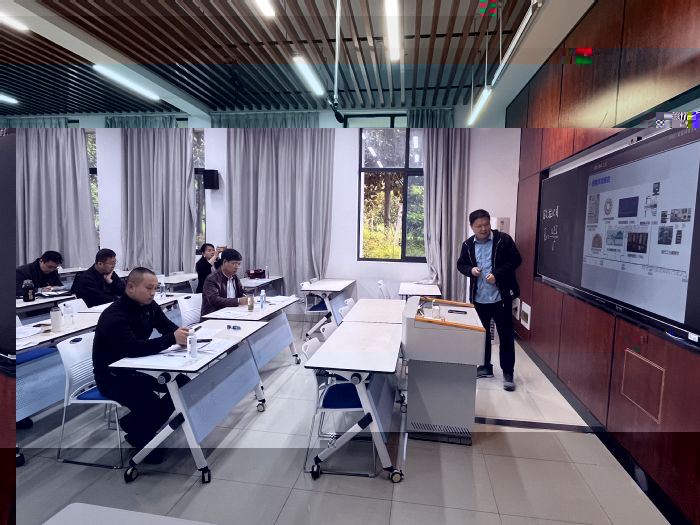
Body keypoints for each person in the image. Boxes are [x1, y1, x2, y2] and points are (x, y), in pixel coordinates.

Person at [92, 267, 190, 464]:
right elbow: (133, 348)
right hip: (112, 376)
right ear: (130, 287)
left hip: (138, 369)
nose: (153, 293)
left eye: (155, 288)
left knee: (183, 382)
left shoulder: (149, 305)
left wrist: (184, 335)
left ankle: (134, 426)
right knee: (149, 403)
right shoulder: (114, 315)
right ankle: (140, 433)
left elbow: (167, 327)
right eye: (149, 288)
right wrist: (172, 338)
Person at [457, 209, 522, 391]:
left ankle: (508, 372)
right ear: (472, 227)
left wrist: (498, 274)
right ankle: (485, 366)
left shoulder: (503, 240)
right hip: (479, 298)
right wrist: (471, 270)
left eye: (486, 224)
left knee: (506, 336)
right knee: (482, 335)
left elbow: (516, 260)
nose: (483, 229)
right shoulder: (467, 245)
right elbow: (461, 264)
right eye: (479, 226)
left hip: (501, 297)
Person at [200, 248, 246, 317]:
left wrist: (245, 296)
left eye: (239, 264)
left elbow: (241, 292)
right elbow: (215, 300)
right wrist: (238, 301)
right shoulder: (212, 279)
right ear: (224, 262)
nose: (237, 267)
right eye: (233, 263)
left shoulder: (234, 277)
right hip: (214, 316)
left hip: (232, 313)